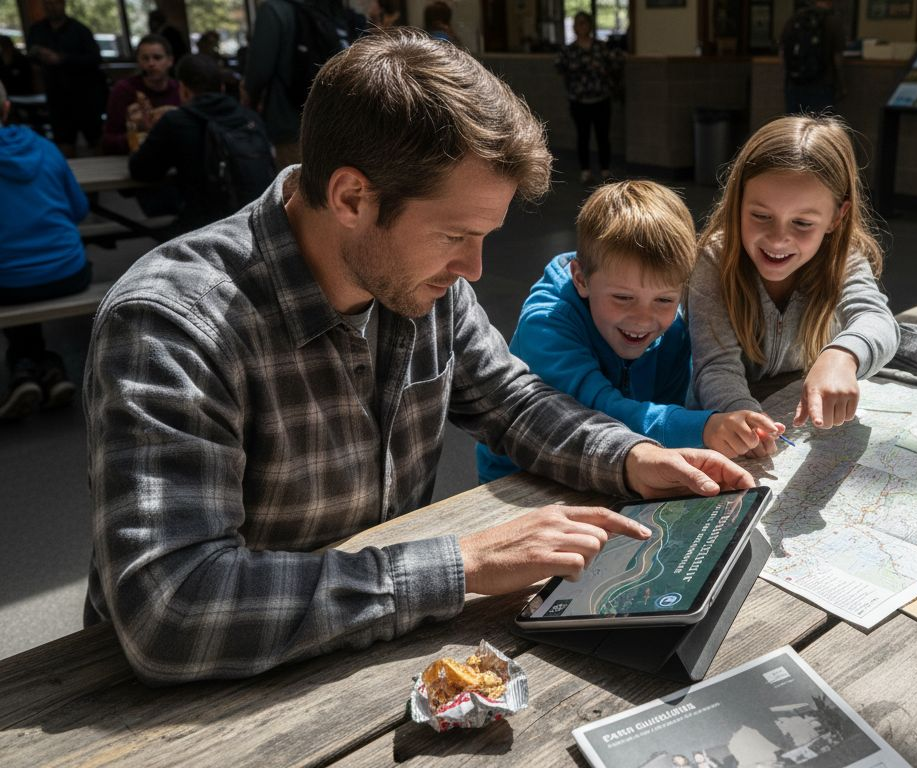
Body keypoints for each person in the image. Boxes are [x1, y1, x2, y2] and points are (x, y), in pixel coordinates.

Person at [83, 29, 753, 685]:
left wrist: (631, 457)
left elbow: (512, 401)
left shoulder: (420, 282)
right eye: (456, 234)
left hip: (372, 648)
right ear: (352, 197)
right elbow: (170, 607)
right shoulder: (172, 322)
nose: (474, 267)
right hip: (201, 696)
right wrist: (459, 565)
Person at [476, 180, 783, 482]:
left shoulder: (673, 328)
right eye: (623, 298)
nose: (643, 319)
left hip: (626, 467)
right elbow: (596, 416)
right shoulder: (545, 326)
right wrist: (704, 427)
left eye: (664, 299)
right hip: (526, 479)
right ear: (581, 279)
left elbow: (666, 410)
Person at [689, 115, 897, 455]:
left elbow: (878, 320)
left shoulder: (843, 259)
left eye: (802, 222)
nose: (778, 237)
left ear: (836, 217)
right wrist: (743, 414)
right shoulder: (714, 261)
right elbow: (715, 365)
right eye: (760, 216)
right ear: (737, 201)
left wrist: (842, 356)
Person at [0, 81, 89, 420]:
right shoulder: (45, 147)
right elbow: (79, 209)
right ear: (7, 108)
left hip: (8, 281)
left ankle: (24, 367)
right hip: (68, 272)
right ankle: (47, 366)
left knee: (13, 273)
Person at [128, 53, 272, 233]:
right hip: (257, 220)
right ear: (221, 87)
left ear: (183, 89)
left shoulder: (175, 121)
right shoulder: (251, 118)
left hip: (204, 226)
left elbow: (141, 170)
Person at [243, 0, 350, 167]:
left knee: (296, 186)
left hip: (290, 123)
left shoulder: (274, 10)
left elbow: (259, 72)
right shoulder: (327, 8)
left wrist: (249, 101)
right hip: (333, 120)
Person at [26, 0, 107, 156]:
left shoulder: (80, 30)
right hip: (57, 95)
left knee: (96, 138)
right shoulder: (38, 30)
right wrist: (38, 53)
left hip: (84, 95)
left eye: (55, 3)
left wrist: (62, 59)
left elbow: (95, 58)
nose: (51, 7)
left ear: (63, 4)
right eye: (47, 4)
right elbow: (30, 55)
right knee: (63, 141)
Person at [555, 11, 622, 185]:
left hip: (601, 99)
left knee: (603, 136)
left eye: (585, 23)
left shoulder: (601, 47)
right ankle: (585, 171)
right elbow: (560, 69)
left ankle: (605, 170)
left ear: (590, 25)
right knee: (583, 136)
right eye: (578, 23)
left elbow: (614, 65)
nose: (582, 26)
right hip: (579, 100)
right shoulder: (568, 50)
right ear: (575, 27)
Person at [102, 34, 180, 155]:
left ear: (170, 61)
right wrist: (137, 134)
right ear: (138, 61)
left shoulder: (180, 90)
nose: (151, 64)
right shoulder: (124, 90)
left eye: (157, 58)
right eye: (145, 58)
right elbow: (108, 141)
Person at [778, 0, 845, 114]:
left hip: (795, 83)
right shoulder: (833, 21)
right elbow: (837, 57)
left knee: (794, 125)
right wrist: (841, 84)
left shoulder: (794, 19)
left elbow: (782, 52)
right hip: (822, 83)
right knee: (821, 126)